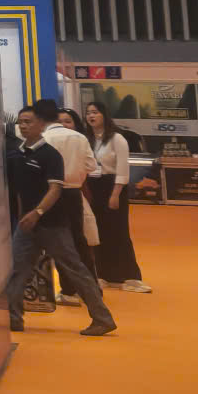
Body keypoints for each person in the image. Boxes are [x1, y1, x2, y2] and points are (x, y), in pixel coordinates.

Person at [2, 105, 115, 336]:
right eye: (21, 122)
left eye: (28, 122)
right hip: (27, 226)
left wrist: (38, 212)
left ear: (40, 125)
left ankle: (102, 318)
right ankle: (14, 318)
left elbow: (55, 189)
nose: (24, 126)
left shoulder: (50, 155)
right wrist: (24, 216)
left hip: (52, 224)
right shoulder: (18, 154)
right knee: (17, 269)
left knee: (74, 268)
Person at [35, 96, 98, 300]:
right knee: (79, 240)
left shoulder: (43, 139)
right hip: (73, 193)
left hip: (50, 194)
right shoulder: (79, 137)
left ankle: (69, 290)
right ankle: (92, 288)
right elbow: (91, 166)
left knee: (59, 243)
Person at [84, 101, 151, 292]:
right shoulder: (87, 139)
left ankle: (130, 277)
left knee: (119, 231)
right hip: (93, 187)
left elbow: (123, 169)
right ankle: (103, 275)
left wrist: (115, 194)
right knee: (97, 232)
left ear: (104, 115)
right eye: (88, 113)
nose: (91, 116)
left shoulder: (117, 138)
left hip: (113, 187)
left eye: (95, 112)